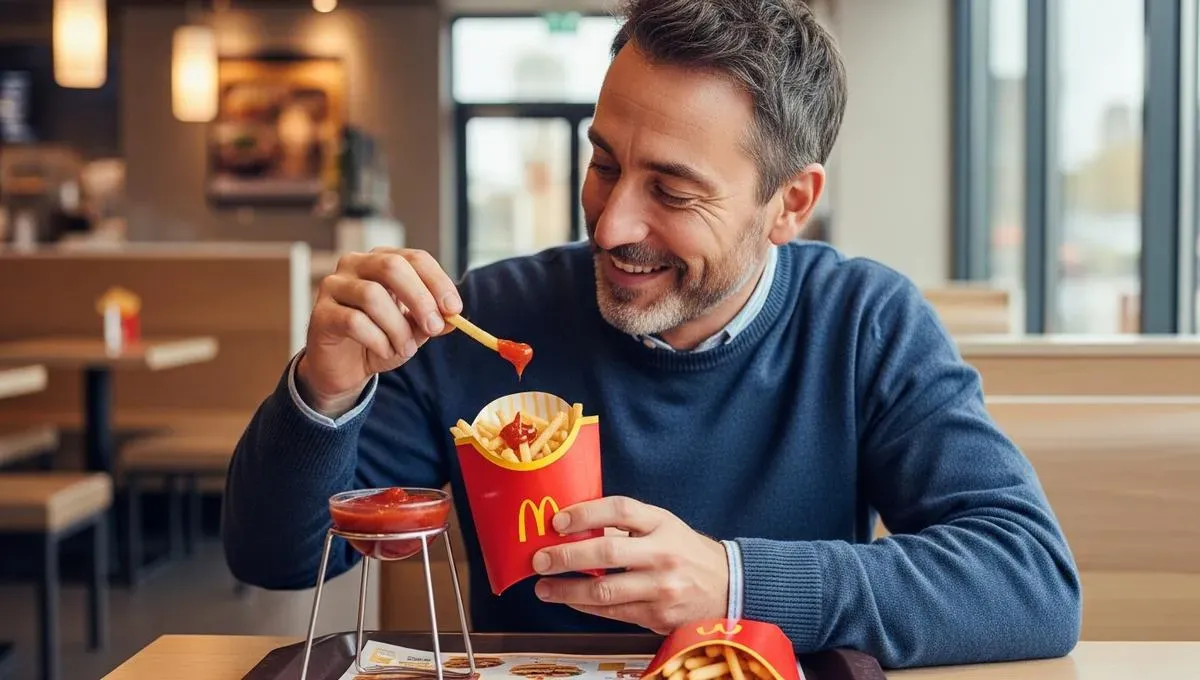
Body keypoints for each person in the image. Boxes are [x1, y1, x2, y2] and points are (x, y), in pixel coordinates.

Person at [221, 0, 1081, 669]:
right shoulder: (486, 320)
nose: (610, 223)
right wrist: (324, 389)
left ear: (789, 204)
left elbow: (1030, 581)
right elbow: (279, 558)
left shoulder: (865, 324)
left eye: (671, 191)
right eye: (604, 164)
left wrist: (735, 582)